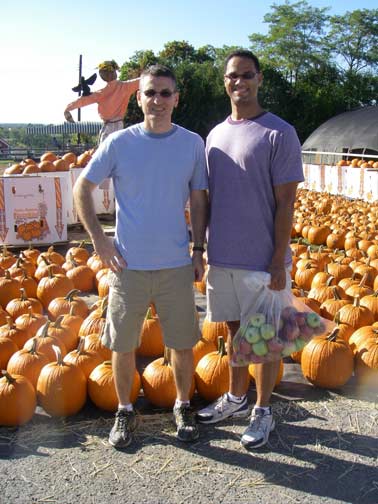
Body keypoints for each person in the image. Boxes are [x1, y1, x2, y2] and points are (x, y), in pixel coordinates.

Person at [73, 64, 209, 449]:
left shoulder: (191, 144)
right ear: (139, 98)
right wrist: (99, 241)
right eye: (150, 93)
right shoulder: (119, 143)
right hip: (127, 265)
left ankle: (182, 404)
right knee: (123, 345)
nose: (158, 100)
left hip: (176, 264)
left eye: (166, 93)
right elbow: (81, 190)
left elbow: (199, 200)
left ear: (176, 99)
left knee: (182, 343)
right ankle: (125, 411)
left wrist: (198, 248)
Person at [197, 50, 304, 449]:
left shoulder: (280, 132)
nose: (238, 82)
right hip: (223, 255)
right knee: (235, 331)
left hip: (263, 259)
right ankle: (236, 399)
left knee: (267, 338)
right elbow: (208, 197)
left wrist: (278, 259)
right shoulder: (215, 135)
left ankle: (263, 411)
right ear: (224, 82)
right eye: (231, 76)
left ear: (259, 79)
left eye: (246, 75)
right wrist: (203, 248)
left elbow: (286, 202)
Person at [64, 60, 140, 143]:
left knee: (104, 151)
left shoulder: (102, 93)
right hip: (119, 126)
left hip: (109, 126)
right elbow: (143, 80)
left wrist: (68, 108)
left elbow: (84, 101)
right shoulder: (125, 87)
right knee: (117, 150)